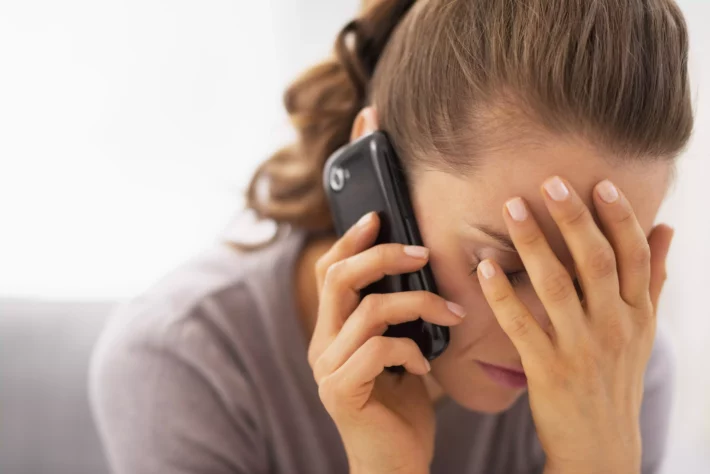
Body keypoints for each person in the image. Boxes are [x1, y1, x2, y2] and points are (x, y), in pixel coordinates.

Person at [89, 0, 694, 473]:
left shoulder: (618, 369)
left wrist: (597, 465)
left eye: (601, 270)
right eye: (507, 267)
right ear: (381, 184)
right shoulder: (185, 366)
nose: (555, 328)